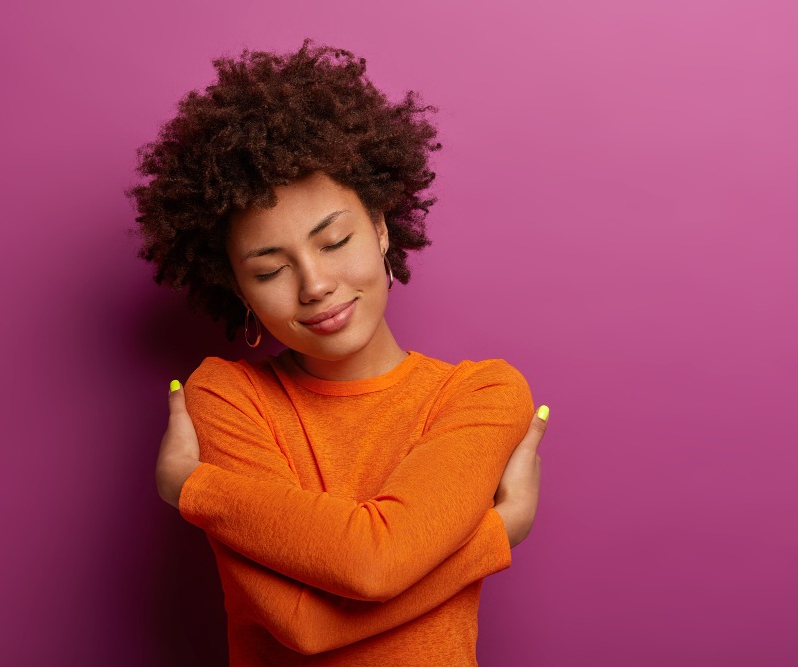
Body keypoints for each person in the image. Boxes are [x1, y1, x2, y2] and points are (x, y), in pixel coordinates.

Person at [128, 40, 551, 666]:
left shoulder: (481, 395)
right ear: (237, 288)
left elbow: (371, 568)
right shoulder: (225, 399)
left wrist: (194, 486)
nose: (315, 285)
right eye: (270, 271)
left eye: (335, 241)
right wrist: (497, 534)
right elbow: (306, 628)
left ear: (380, 228)